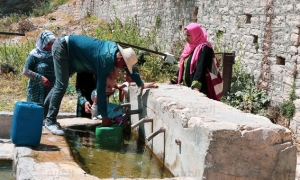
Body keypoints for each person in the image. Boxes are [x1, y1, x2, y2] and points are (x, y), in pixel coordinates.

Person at [43, 35, 145, 135]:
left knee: (59, 85)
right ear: (120, 59)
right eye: (123, 66)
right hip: (64, 48)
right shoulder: (106, 59)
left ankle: (43, 116)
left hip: (72, 53)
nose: (123, 69)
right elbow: (100, 90)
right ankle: (50, 121)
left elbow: (129, 68)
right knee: (61, 85)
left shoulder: (115, 51)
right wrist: (105, 116)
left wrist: (141, 84)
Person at [169, 23, 215, 96]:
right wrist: (173, 80)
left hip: (200, 89)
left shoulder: (204, 48)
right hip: (188, 88)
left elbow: (201, 67)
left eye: (188, 35)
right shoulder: (189, 47)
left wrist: (196, 86)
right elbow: (183, 66)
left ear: (195, 34)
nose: (186, 38)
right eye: (185, 35)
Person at [22, 30, 56, 107]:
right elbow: (25, 71)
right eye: (48, 44)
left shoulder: (56, 54)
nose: (50, 46)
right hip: (37, 90)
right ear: (42, 43)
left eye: (52, 44)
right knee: (35, 112)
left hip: (52, 89)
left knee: (49, 113)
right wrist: (40, 77)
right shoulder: (35, 55)